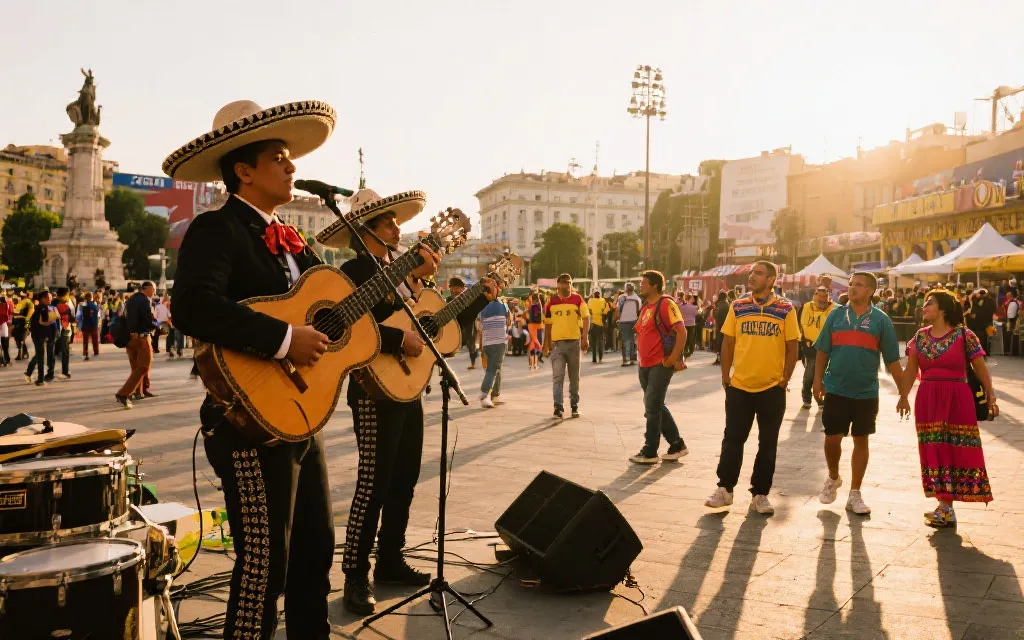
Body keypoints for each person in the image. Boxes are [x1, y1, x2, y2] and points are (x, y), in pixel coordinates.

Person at [168, 98, 341, 638]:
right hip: (245, 420)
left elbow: (338, 308)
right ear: (244, 170)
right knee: (265, 565)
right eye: (279, 156)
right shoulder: (217, 228)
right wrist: (285, 338)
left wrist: (395, 322)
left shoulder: (292, 239)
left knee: (315, 552)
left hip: (297, 416)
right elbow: (192, 306)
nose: (292, 166)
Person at [321, 187, 470, 617]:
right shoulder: (350, 270)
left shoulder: (404, 276)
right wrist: (393, 339)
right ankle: (354, 572)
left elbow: (423, 324)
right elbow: (345, 324)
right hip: (370, 391)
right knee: (373, 481)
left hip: (408, 389)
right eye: (387, 222)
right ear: (365, 230)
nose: (396, 228)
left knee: (404, 478)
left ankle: (390, 558)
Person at [705, 261, 799, 515]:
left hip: (772, 388)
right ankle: (725, 489)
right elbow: (728, 342)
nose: (752, 276)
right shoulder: (738, 306)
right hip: (740, 386)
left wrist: (784, 380)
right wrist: (726, 375)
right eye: (751, 273)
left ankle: (760, 494)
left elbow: (793, 347)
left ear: (771, 279)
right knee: (733, 439)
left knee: (768, 443)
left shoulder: (785, 309)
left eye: (758, 273)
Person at [812, 272, 907, 516]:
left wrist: (903, 393)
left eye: (859, 285)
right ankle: (833, 477)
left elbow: (892, 360)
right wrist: (817, 381)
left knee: (861, 439)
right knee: (832, 438)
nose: (853, 288)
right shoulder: (835, 315)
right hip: (835, 388)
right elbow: (822, 352)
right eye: (852, 284)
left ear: (871, 291)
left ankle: (855, 493)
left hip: (866, 391)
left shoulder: (881, 321)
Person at [899, 289, 996, 527]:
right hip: (928, 398)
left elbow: (981, 367)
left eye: (928, 303)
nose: (923, 307)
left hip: (958, 398)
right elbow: (911, 370)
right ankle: (944, 506)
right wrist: (903, 396)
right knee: (934, 448)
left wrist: (991, 395)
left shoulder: (965, 335)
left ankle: (946, 506)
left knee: (956, 447)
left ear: (942, 309)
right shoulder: (920, 337)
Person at [628, 270, 688, 464]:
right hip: (645, 364)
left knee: (652, 407)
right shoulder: (646, 307)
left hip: (660, 364)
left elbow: (681, 331)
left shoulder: (666, 304)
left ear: (654, 285)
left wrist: (671, 359)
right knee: (655, 405)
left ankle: (650, 451)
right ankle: (677, 444)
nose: (640, 286)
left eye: (643, 283)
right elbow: (640, 330)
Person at [543, 273, 590, 419]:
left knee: (574, 378)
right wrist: (546, 344)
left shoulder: (578, 299)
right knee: (558, 377)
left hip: (574, 344)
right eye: (563, 283)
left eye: (568, 283)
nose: (566, 285)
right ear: (558, 285)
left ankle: (574, 406)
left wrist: (585, 337)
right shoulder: (551, 302)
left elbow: (586, 317)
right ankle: (558, 407)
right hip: (557, 346)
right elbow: (548, 326)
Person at [116, 281, 157, 407]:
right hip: (142, 338)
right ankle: (123, 393)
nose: (154, 292)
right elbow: (148, 319)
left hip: (130, 338)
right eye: (154, 289)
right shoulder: (145, 301)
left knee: (136, 368)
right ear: (148, 288)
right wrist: (158, 327)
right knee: (144, 366)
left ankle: (138, 392)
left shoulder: (131, 299)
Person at [799, 285, 836, 409]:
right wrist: (802, 343)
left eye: (825, 297)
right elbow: (801, 326)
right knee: (810, 374)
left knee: (826, 374)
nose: (822, 300)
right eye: (819, 297)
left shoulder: (835, 308)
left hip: (829, 347)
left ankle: (821, 399)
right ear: (814, 296)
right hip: (811, 347)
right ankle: (807, 398)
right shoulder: (806, 307)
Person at [479, 289, 509, 407]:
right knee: (493, 369)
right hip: (499, 341)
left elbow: (480, 327)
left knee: (495, 368)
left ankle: (495, 393)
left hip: (487, 342)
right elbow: (509, 320)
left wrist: (481, 346)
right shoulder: (503, 305)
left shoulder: (482, 307)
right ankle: (484, 394)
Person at [24, 290, 57, 386]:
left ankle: (35, 376)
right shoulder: (43, 308)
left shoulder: (39, 308)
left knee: (39, 356)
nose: (50, 299)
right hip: (40, 335)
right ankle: (40, 379)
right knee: (40, 357)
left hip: (38, 335)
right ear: (43, 299)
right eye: (48, 297)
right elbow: (45, 322)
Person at [449, 277, 480, 369]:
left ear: (462, 288)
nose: (455, 290)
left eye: (457, 288)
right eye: (453, 288)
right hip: (454, 324)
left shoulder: (468, 298)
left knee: (470, 342)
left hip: (468, 323)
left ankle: (473, 361)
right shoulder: (448, 299)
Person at [616, 282, 642, 366]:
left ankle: (626, 360)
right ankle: (633, 359)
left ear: (625, 289)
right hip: (634, 320)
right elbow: (639, 310)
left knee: (625, 340)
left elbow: (617, 310)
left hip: (624, 321)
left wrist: (617, 319)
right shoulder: (637, 298)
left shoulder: (621, 298)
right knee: (633, 340)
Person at [53, 287, 75, 379]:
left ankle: (65, 371)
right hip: (58, 329)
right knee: (59, 351)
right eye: (67, 294)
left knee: (64, 351)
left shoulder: (69, 302)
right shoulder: (56, 303)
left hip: (64, 330)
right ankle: (52, 371)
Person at [586, 289, 609, 363]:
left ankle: (594, 358)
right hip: (601, 324)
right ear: (600, 294)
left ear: (593, 294)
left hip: (593, 323)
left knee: (594, 342)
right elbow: (606, 310)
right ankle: (600, 358)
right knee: (601, 341)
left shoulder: (590, 301)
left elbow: (588, 310)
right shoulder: (603, 301)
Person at [78, 291, 100, 360]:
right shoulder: (95, 306)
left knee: (85, 340)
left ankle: (85, 351)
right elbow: (97, 314)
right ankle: (96, 351)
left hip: (85, 325)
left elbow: (80, 315)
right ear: (91, 297)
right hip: (94, 325)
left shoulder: (83, 305)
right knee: (95, 340)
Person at [526, 291, 544, 370]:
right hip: (537, 326)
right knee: (536, 344)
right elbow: (537, 316)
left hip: (532, 326)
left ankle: (532, 364)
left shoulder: (532, 305)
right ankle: (534, 364)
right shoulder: (537, 305)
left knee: (533, 344)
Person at [713, 290, 729, 365]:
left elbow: (714, 315)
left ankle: (718, 358)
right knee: (724, 342)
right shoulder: (728, 305)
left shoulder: (717, 304)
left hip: (718, 326)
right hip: (726, 326)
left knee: (719, 342)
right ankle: (724, 358)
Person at [1003, 290, 1018, 356]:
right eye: (1007, 296)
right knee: (1010, 335)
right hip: (1010, 319)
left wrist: (1009, 322)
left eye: (1008, 296)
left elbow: (1011, 315)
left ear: (1011, 296)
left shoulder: (1013, 302)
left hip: (1012, 320)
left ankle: (1010, 351)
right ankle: (1010, 350)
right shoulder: (1008, 302)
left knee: (1010, 335)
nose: (1007, 297)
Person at [0, 293, 12, 367]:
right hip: (3, 324)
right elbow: (10, 312)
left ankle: (1, 360)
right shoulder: (6, 303)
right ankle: (7, 360)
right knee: (5, 343)